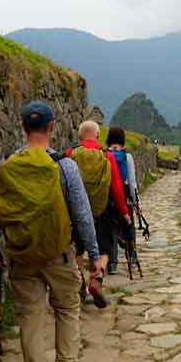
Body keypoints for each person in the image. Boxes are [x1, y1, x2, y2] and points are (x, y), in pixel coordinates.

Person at [0, 100, 106, 362]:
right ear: (52, 128)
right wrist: (94, 256)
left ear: (23, 127)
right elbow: (81, 215)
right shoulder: (65, 166)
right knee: (67, 307)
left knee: (30, 317)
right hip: (59, 254)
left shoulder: (8, 166)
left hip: (22, 256)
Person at [67, 121, 131, 285]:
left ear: (80, 136)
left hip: (75, 212)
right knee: (104, 249)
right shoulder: (107, 156)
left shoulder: (69, 154)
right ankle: (97, 277)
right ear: (97, 136)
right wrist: (124, 212)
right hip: (102, 210)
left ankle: (80, 279)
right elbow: (116, 187)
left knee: (78, 248)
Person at [106, 127, 139, 269]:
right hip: (125, 199)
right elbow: (132, 181)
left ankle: (112, 262)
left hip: (109, 199)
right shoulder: (127, 157)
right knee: (129, 227)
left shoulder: (104, 154)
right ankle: (131, 256)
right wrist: (136, 201)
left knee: (111, 229)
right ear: (122, 140)